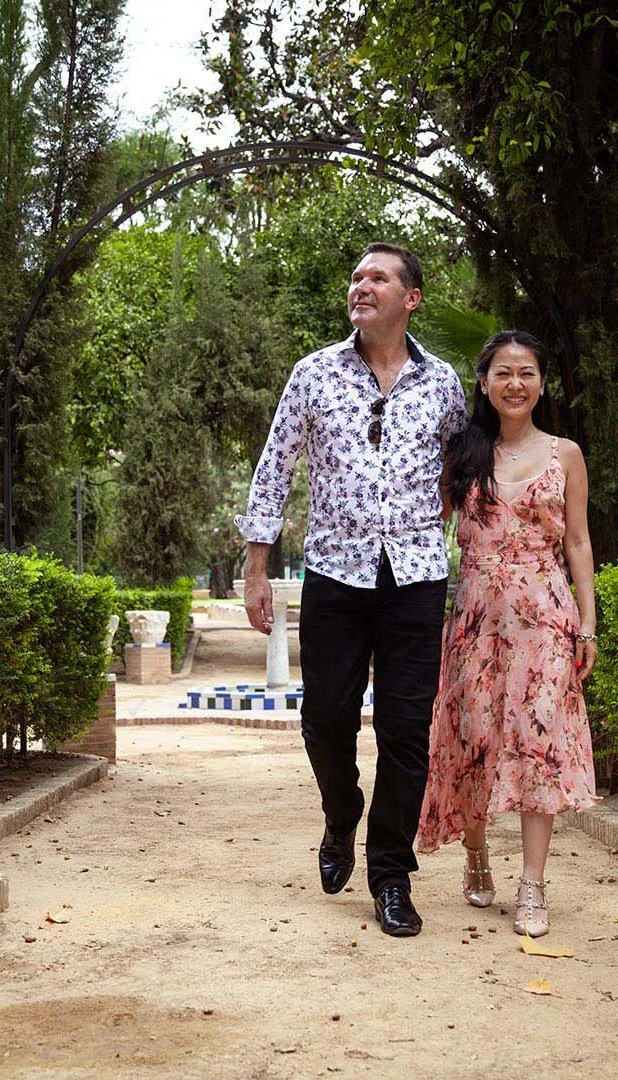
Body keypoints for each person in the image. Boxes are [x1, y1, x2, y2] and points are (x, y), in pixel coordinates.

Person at [237, 242, 467, 937]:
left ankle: (390, 872)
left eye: (378, 277)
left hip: (417, 580)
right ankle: (342, 814)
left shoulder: (444, 384)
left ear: (410, 298)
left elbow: (463, 469)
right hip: (335, 574)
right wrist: (255, 567)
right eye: (357, 276)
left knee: (406, 732)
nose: (360, 285)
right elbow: (274, 468)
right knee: (326, 720)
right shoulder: (313, 375)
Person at [415, 329, 599, 938]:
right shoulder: (462, 453)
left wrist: (587, 624)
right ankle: (474, 855)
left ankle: (533, 885)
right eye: (502, 373)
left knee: (537, 744)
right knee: (472, 740)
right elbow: (425, 530)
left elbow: (577, 542)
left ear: (542, 384)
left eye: (526, 373)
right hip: (474, 617)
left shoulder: (565, 454)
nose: (514, 384)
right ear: (484, 382)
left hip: (545, 618)